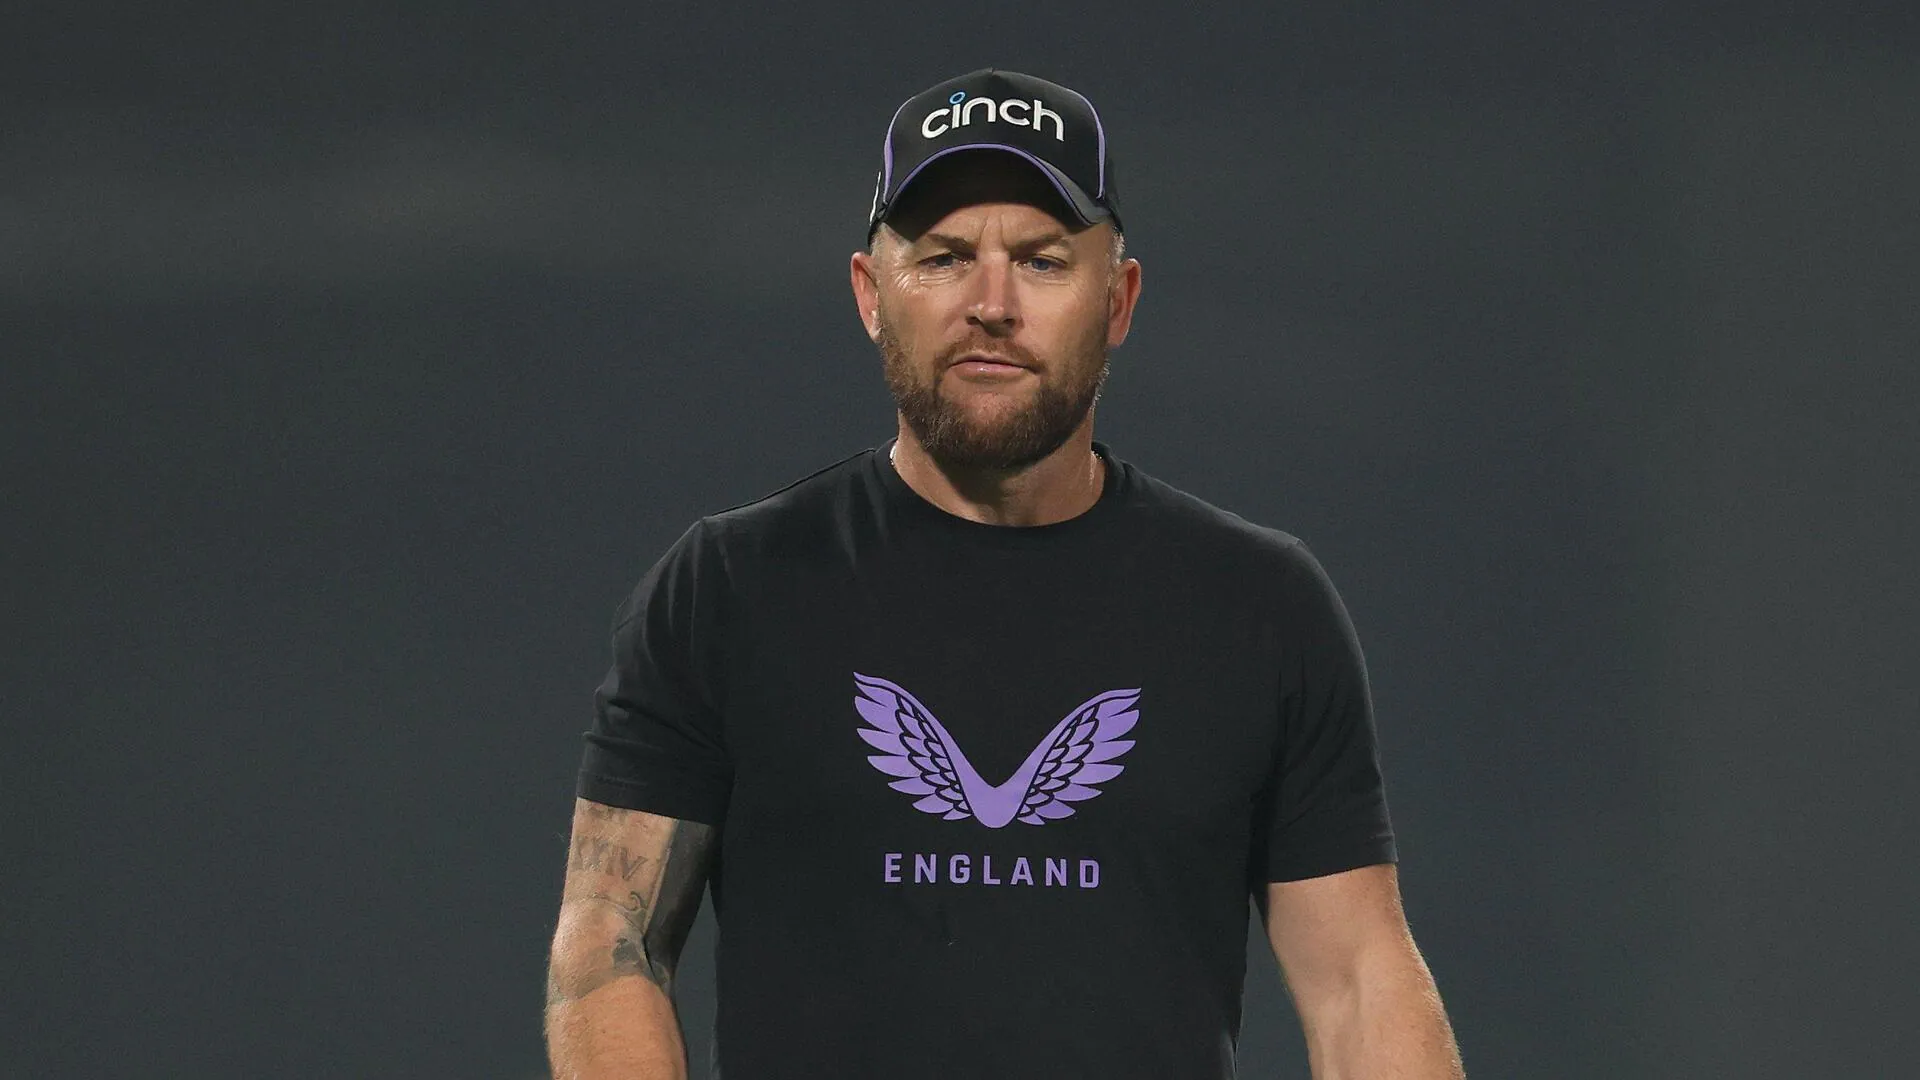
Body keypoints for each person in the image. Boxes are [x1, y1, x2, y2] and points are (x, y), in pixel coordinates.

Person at [544, 67, 1466, 1080]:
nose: (991, 304)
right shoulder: (727, 591)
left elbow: (1358, 983)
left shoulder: (1259, 608)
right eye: (944, 258)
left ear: (1117, 300)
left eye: (1042, 261)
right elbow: (610, 943)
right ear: (870, 295)